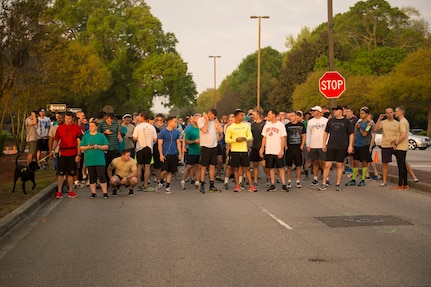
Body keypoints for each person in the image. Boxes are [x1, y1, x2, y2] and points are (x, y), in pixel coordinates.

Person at [319, 106, 354, 191]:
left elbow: (351, 134)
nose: (334, 111)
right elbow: (326, 132)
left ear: (341, 111)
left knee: (339, 165)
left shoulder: (346, 121)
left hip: (342, 146)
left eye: (336, 110)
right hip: (331, 145)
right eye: (333, 110)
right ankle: (324, 183)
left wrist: (350, 145)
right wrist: (324, 144)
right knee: (327, 165)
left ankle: (338, 183)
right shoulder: (331, 121)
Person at [51, 111, 83, 199]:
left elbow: (79, 142)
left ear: (72, 118)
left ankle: (71, 191)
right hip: (62, 152)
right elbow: (56, 140)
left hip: (72, 152)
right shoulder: (60, 128)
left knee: (71, 173)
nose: (67, 120)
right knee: (60, 173)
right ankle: (59, 191)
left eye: (69, 118)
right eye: (66, 118)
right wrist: (53, 149)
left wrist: (78, 154)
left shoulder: (76, 128)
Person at [225, 109, 256, 192]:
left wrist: (244, 138)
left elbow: (250, 137)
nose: (243, 117)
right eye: (241, 115)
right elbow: (227, 139)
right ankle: (237, 185)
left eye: (243, 115)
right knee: (235, 168)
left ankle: (251, 185)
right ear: (236, 116)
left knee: (247, 168)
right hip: (234, 150)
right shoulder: (230, 127)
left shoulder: (246, 126)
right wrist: (236, 140)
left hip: (244, 150)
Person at [80, 121, 110, 198]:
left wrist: (98, 147)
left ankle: (105, 192)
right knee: (92, 176)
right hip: (90, 159)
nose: (91, 128)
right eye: (90, 126)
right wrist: (88, 147)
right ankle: (93, 192)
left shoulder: (101, 136)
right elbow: (81, 147)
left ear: (96, 127)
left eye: (92, 126)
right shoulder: (86, 136)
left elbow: (106, 146)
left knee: (101, 175)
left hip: (99, 159)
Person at [345, 107, 374, 187]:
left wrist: (359, 128)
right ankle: (353, 179)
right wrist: (352, 144)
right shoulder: (358, 122)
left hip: (364, 144)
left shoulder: (369, 124)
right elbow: (354, 134)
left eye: (363, 113)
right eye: (360, 113)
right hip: (357, 144)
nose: (361, 115)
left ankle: (363, 179)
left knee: (364, 162)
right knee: (355, 162)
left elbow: (365, 134)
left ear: (367, 114)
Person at [259, 110, 287, 192]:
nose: (268, 116)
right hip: (269, 150)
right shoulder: (267, 125)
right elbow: (264, 137)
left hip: (277, 149)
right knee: (271, 168)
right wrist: (262, 148)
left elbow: (283, 138)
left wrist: (281, 150)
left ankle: (283, 184)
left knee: (280, 168)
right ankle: (273, 184)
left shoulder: (280, 125)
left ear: (274, 115)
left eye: (269, 114)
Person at [198, 108, 223, 193]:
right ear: (208, 114)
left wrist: (216, 121)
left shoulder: (214, 121)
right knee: (204, 166)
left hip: (214, 145)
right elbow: (204, 130)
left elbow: (221, 130)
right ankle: (202, 184)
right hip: (205, 146)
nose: (212, 117)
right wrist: (207, 120)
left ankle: (211, 185)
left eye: (214, 116)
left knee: (212, 166)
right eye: (211, 115)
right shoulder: (201, 120)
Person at [157, 116, 182, 194]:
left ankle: (167, 187)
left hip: (173, 154)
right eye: (174, 121)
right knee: (164, 171)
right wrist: (161, 154)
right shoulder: (163, 132)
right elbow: (159, 144)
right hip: (165, 154)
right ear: (169, 122)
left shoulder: (176, 132)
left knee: (170, 171)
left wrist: (180, 153)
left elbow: (178, 143)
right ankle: (161, 181)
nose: (176, 123)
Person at [133, 111, 157, 192]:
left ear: (142, 117)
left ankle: (139, 185)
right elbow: (155, 139)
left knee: (139, 166)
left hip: (140, 148)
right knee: (147, 166)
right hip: (149, 148)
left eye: (140, 116)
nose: (138, 117)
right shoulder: (152, 127)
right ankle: (146, 185)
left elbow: (134, 138)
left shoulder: (138, 127)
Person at [374, 107, 398, 187]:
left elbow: (400, 134)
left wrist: (396, 142)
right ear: (385, 114)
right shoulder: (383, 122)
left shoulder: (397, 123)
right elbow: (376, 128)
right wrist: (379, 119)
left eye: (391, 112)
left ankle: (410, 178)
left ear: (393, 113)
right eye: (387, 113)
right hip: (385, 145)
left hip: (395, 145)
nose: (389, 114)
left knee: (402, 161)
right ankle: (384, 181)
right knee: (385, 163)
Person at [306, 106, 328, 186]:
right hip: (313, 144)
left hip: (322, 144)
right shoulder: (310, 121)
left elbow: (328, 132)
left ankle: (326, 178)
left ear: (319, 111)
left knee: (323, 161)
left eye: (314, 111)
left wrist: (326, 143)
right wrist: (308, 144)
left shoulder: (325, 121)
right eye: (312, 111)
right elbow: (308, 133)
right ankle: (315, 178)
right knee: (314, 161)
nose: (312, 112)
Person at [285, 111, 306, 189]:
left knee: (298, 165)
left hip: (298, 147)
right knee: (289, 165)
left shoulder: (301, 125)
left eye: (292, 115)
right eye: (290, 116)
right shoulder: (287, 126)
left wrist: (302, 145)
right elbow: (285, 136)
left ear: (296, 116)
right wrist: (285, 146)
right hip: (289, 147)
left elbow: (304, 135)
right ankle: (289, 181)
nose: (291, 117)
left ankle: (298, 181)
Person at [181, 113, 201, 190]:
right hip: (192, 151)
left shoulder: (202, 128)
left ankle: (197, 182)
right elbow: (185, 141)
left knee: (198, 167)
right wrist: (194, 141)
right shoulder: (189, 129)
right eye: (198, 118)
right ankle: (183, 181)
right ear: (194, 119)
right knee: (189, 166)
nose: (199, 120)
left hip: (201, 151)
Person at [250, 110, 269, 186]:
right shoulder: (252, 125)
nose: (253, 116)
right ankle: (255, 180)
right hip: (254, 146)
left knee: (264, 164)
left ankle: (268, 177)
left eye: (254, 115)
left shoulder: (264, 124)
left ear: (258, 115)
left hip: (262, 146)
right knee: (255, 164)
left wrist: (263, 146)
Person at [392, 106, 409, 189]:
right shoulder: (404, 121)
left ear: (401, 112)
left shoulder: (402, 122)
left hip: (401, 147)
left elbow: (403, 135)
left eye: (396, 111)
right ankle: (405, 183)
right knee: (403, 165)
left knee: (400, 165)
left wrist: (396, 143)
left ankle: (400, 184)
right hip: (403, 146)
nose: (395, 113)